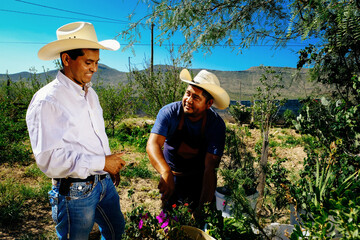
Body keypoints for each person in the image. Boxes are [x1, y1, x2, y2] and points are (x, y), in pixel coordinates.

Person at [26, 22, 126, 239]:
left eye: (97, 62)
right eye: (88, 62)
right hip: (74, 192)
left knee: (115, 230)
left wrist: (107, 166)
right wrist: (102, 162)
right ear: (66, 59)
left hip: (103, 183)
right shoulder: (48, 100)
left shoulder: (90, 93)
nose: (95, 68)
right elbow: (49, 160)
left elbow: (92, 137)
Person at [146, 69, 230, 212]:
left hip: (199, 180)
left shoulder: (215, 124)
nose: (188, 100)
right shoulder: (169, 113)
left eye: (196, 98)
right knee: (169, 222)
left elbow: (211, 168)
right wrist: (165, 172)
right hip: (171, 178)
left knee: (199, 221)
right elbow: (153, 144)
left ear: (209, 104)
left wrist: (202, 209)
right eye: (187, 93)